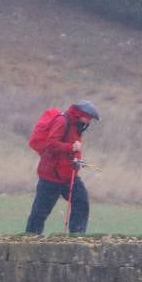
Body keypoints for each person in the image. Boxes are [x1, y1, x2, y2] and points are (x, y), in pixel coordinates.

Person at [24, 100, 99, 234]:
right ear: (81, 114)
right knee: (40, 213)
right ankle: (29, 240)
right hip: (50, 177)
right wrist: (71, 147)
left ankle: (77, 237)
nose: (89, 123)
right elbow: (51, 144)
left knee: (81, 202)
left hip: (68, 176)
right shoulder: (63, 121)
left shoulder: (76, 126)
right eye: (89, 119)